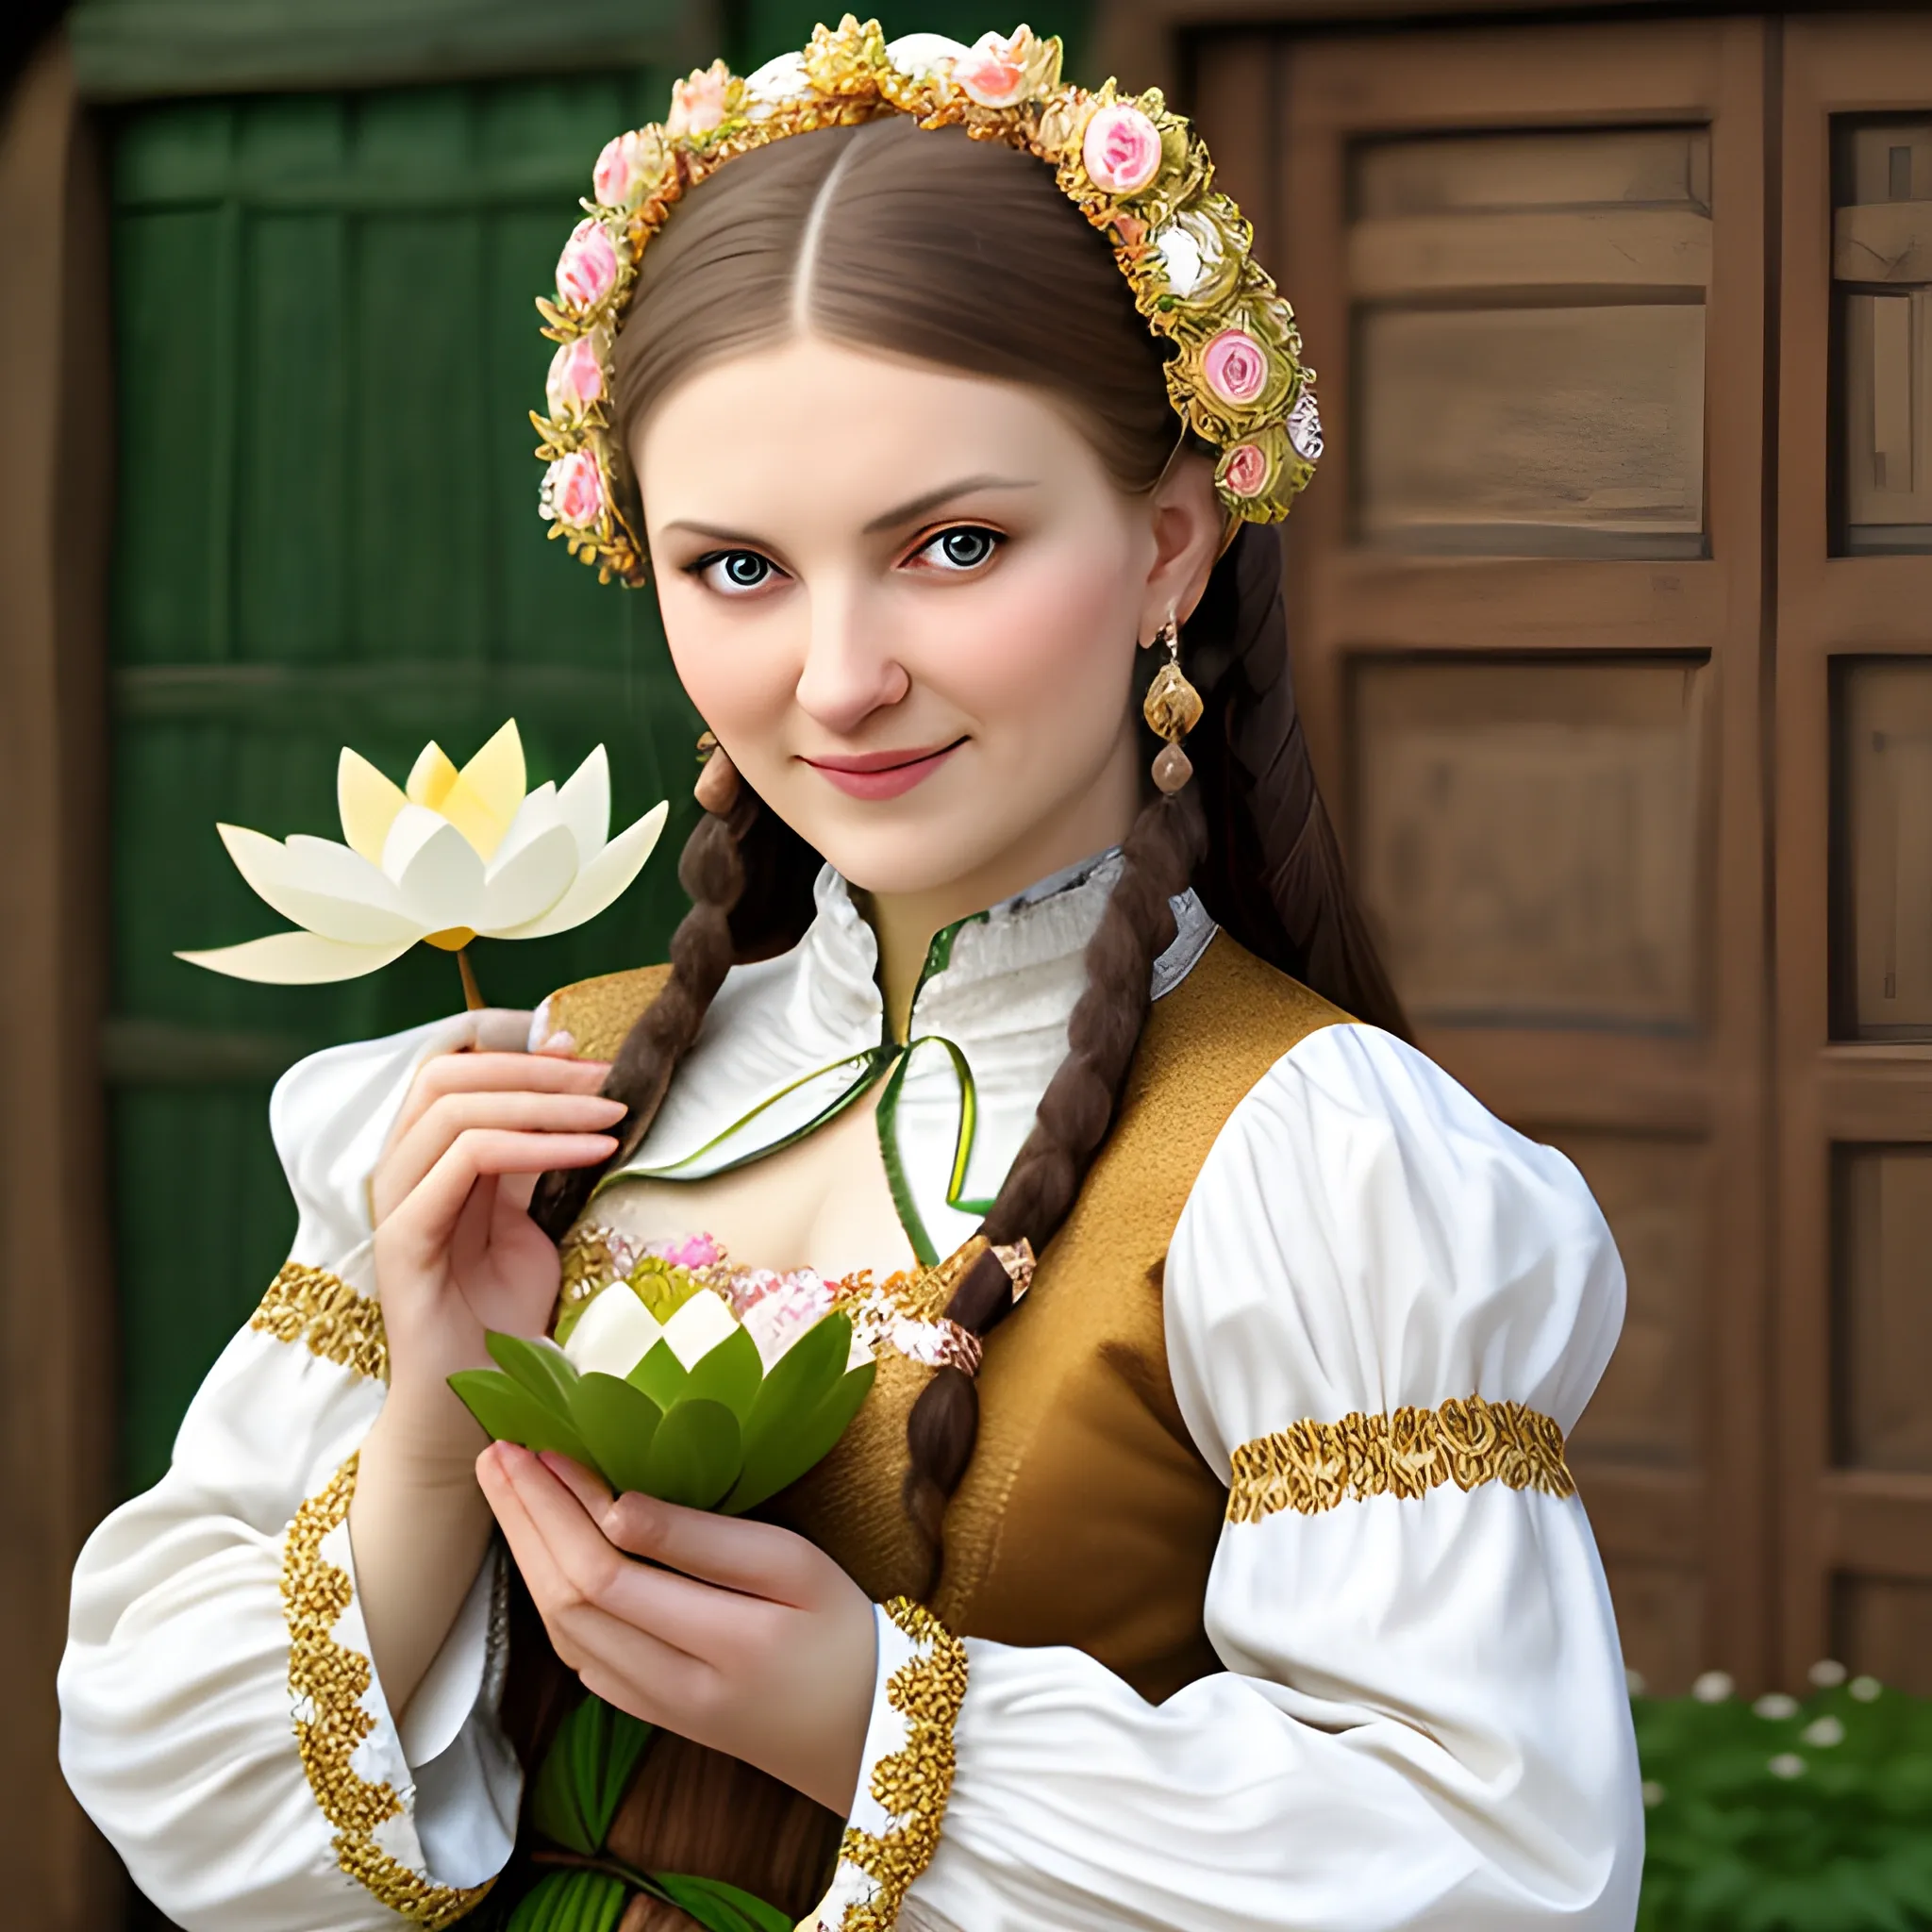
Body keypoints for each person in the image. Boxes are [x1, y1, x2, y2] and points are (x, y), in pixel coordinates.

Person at [59, 23, 1643, 1932]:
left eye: (951, 544)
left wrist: (875, 1727)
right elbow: (169, 1770)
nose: (836, 678)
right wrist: (427, 1434)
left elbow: (1497, 1863)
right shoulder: (521, 1094)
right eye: (734, 569)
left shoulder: (1319, 1161)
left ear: (1164, 545)